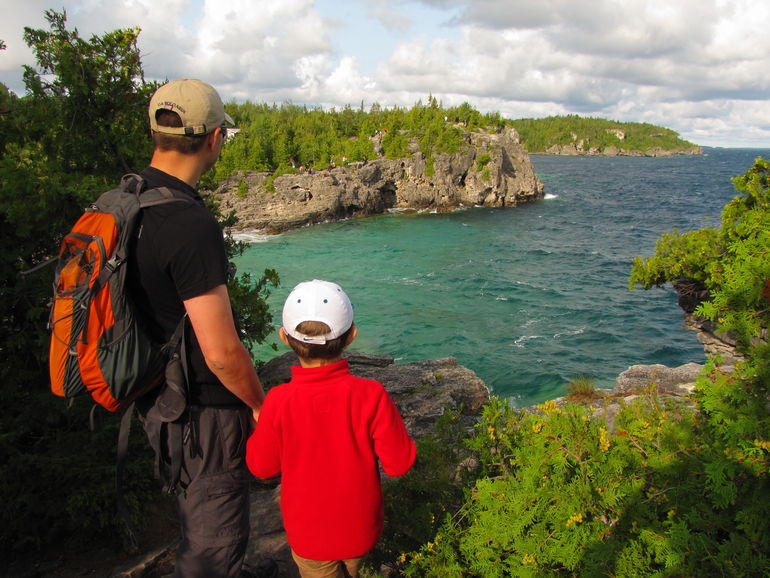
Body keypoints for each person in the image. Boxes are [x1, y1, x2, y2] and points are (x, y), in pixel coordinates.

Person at [128, 78, 267, 577]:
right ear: (213, 138)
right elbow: (222, 353)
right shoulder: (188, 223)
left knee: (199, 523)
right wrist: (258, 403)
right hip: (203, 414)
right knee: (215, 545)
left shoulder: (129, 199)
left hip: (156, 399)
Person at [246, 280, 417, 577]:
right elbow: (399, 463)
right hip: (361, 531)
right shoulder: (371, 394)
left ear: (284, 337)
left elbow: (261, 467)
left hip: (308, 537)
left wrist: (259, 421)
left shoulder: (279, 401)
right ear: (351, 336)